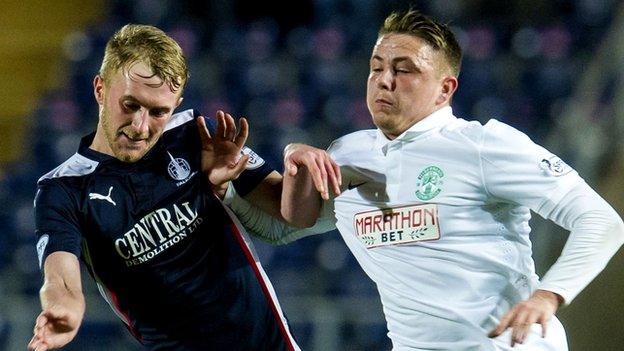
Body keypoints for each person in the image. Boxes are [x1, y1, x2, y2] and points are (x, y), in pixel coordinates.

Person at [227, 9, 624, 350]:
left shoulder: (484, 145)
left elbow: (602, 222)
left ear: (444, 90)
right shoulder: (346, 156)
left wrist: (547, 296)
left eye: (404, 70)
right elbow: (285, 225)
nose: (384, 80)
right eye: (376, 66)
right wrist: (268, 166)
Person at [27, 24, 339, 351]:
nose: (140, 126)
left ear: (176, 104)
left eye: (158, 111)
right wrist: (64, 309)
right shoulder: (62, 189)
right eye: (130, 104)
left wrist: (296, 160)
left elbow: (292, 213)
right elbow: (60, 275)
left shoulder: (200, 137)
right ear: (100, 89)